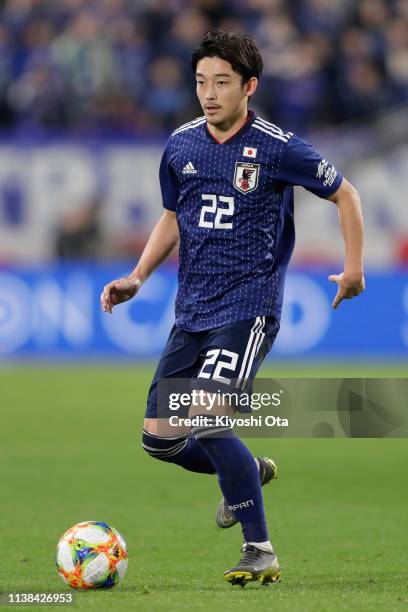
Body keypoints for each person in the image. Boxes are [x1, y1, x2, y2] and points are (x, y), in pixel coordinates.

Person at [100, 30, 365, 587]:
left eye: (222, 82)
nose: (209, 93)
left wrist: (355, 267)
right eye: (201, 81)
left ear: (249, 86)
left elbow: (346, 193)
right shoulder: (181, 146)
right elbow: (173, 215)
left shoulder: (278, 147)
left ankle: (259, 548)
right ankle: (244, 475)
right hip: (191, 309)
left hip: (248, 306)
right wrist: (137, 276)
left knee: (208, 415)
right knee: (160, 438)